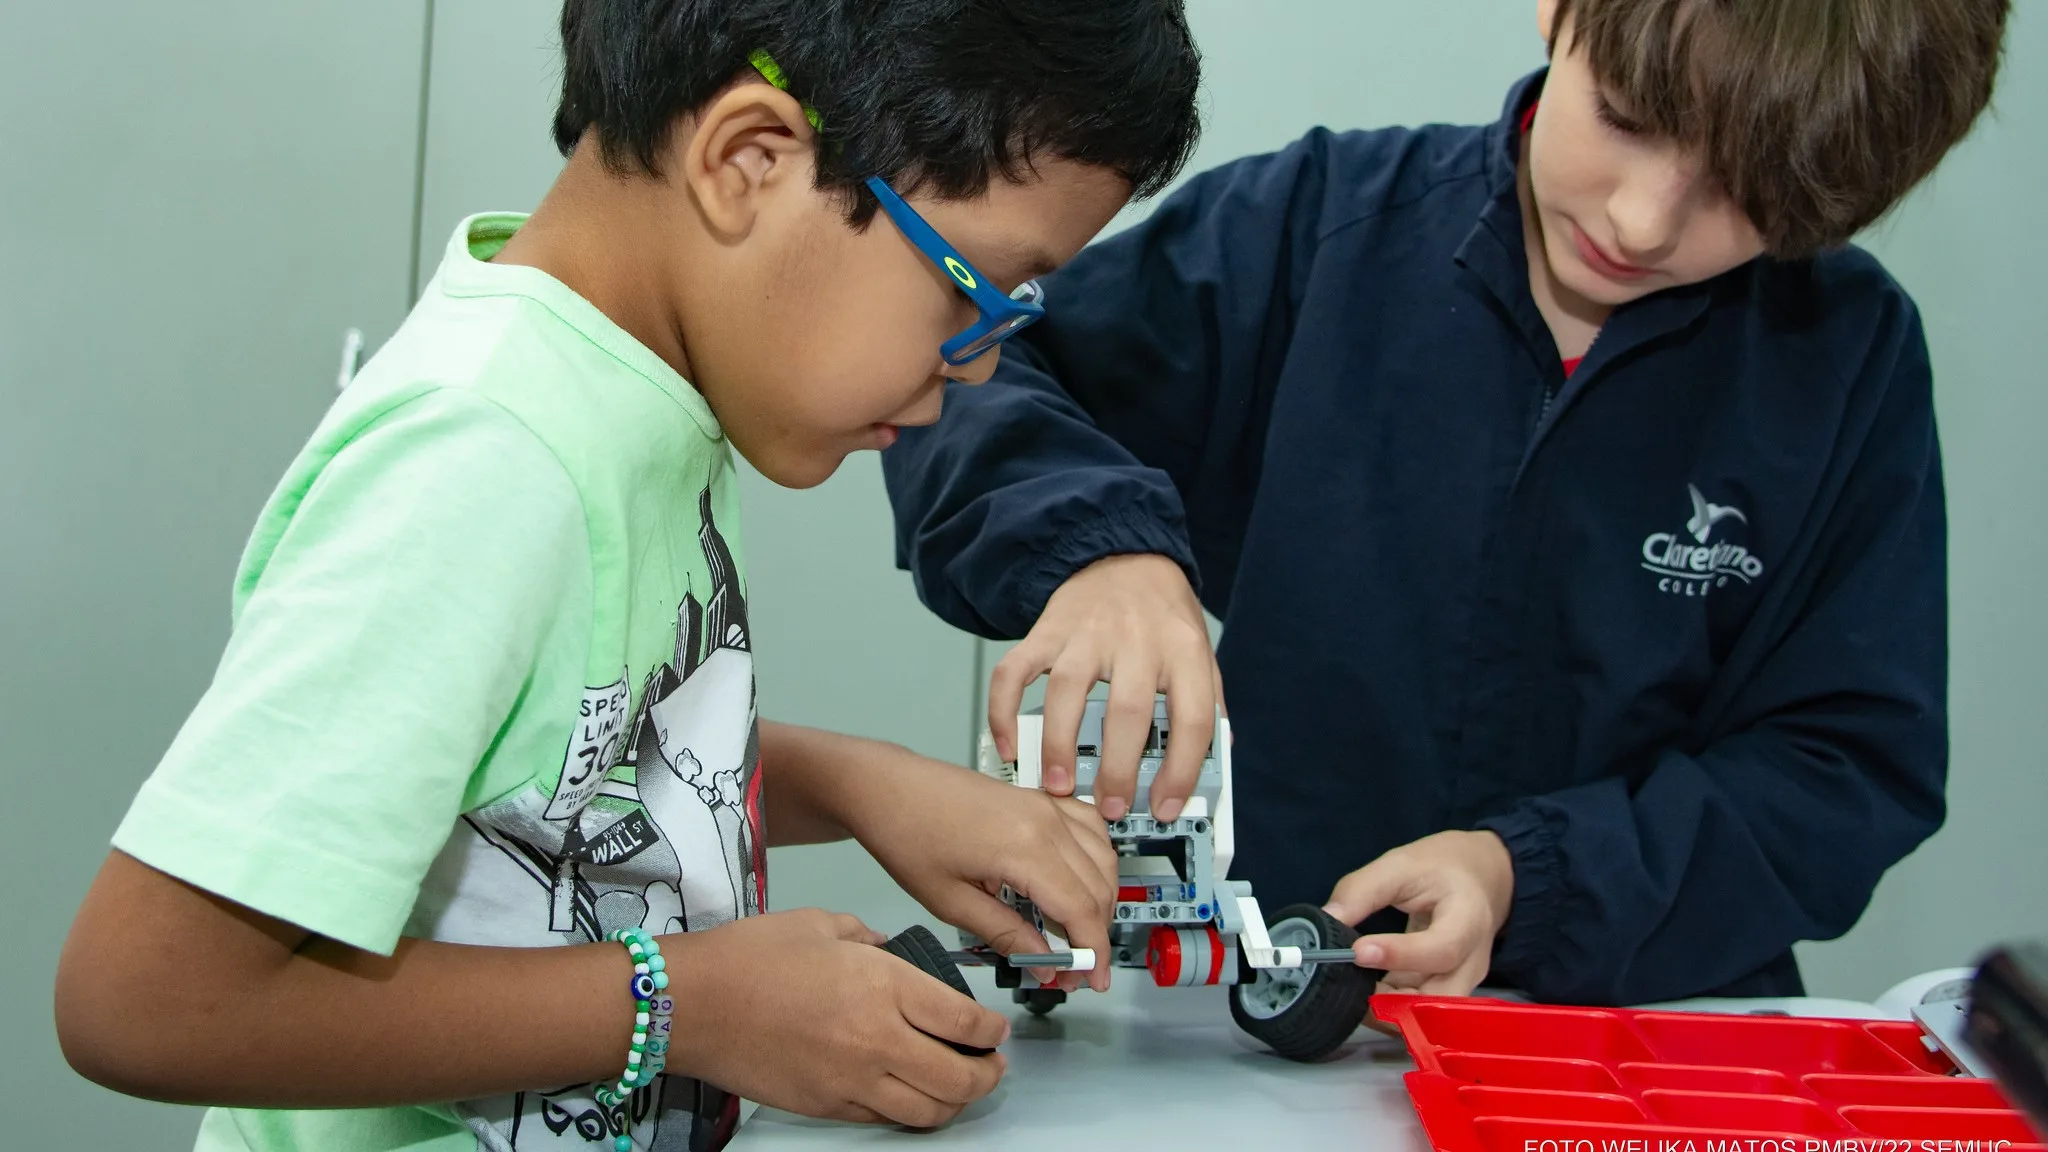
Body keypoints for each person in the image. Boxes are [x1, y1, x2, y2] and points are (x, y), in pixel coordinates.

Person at [54, 1, 1200, 1148]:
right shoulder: (487, 460)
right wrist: (683, 1005)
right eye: (971, 289)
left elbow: (549, 767)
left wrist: (861, 784)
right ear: (748, 161)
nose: (982, 361)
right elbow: (148, 1002)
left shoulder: (632, 391)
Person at [883, 0, 2010, 1008]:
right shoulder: (1313, 231)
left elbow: (1841, 771)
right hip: (1266, 1004)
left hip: (1635, 1034)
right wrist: (1099, 551)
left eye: (1744, 193)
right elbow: (981, 366)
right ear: (1559, 12)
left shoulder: (1843, 360)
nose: (1641, 223)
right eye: (1624, 118)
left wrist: (1530, 876)